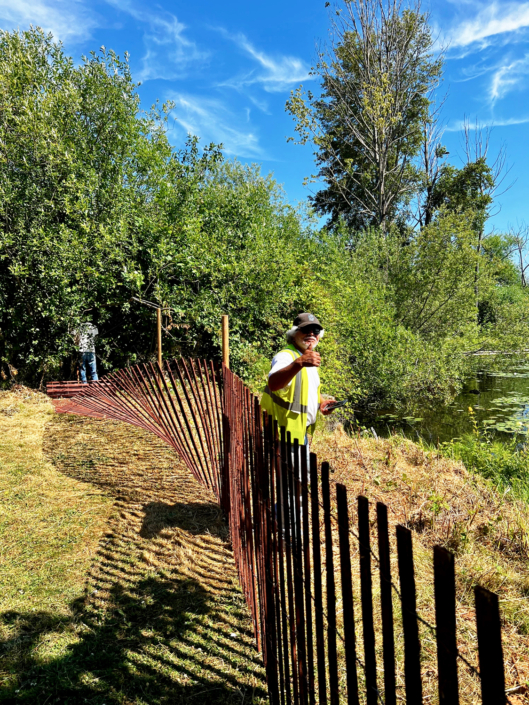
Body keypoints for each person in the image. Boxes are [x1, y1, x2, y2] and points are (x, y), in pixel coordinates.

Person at [261, 313, 336, 537]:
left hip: (296, 431)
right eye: (305, 330)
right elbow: (274, 383)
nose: (311, 334)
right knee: (295, 483)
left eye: (315, 331)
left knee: (296, 482)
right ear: (294, 334)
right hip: (285, 431)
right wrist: (298, 364)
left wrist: (321, 403)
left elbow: (304, 392)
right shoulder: (287, 357)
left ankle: (283, 517)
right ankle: (286, 530)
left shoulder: (308, 358)